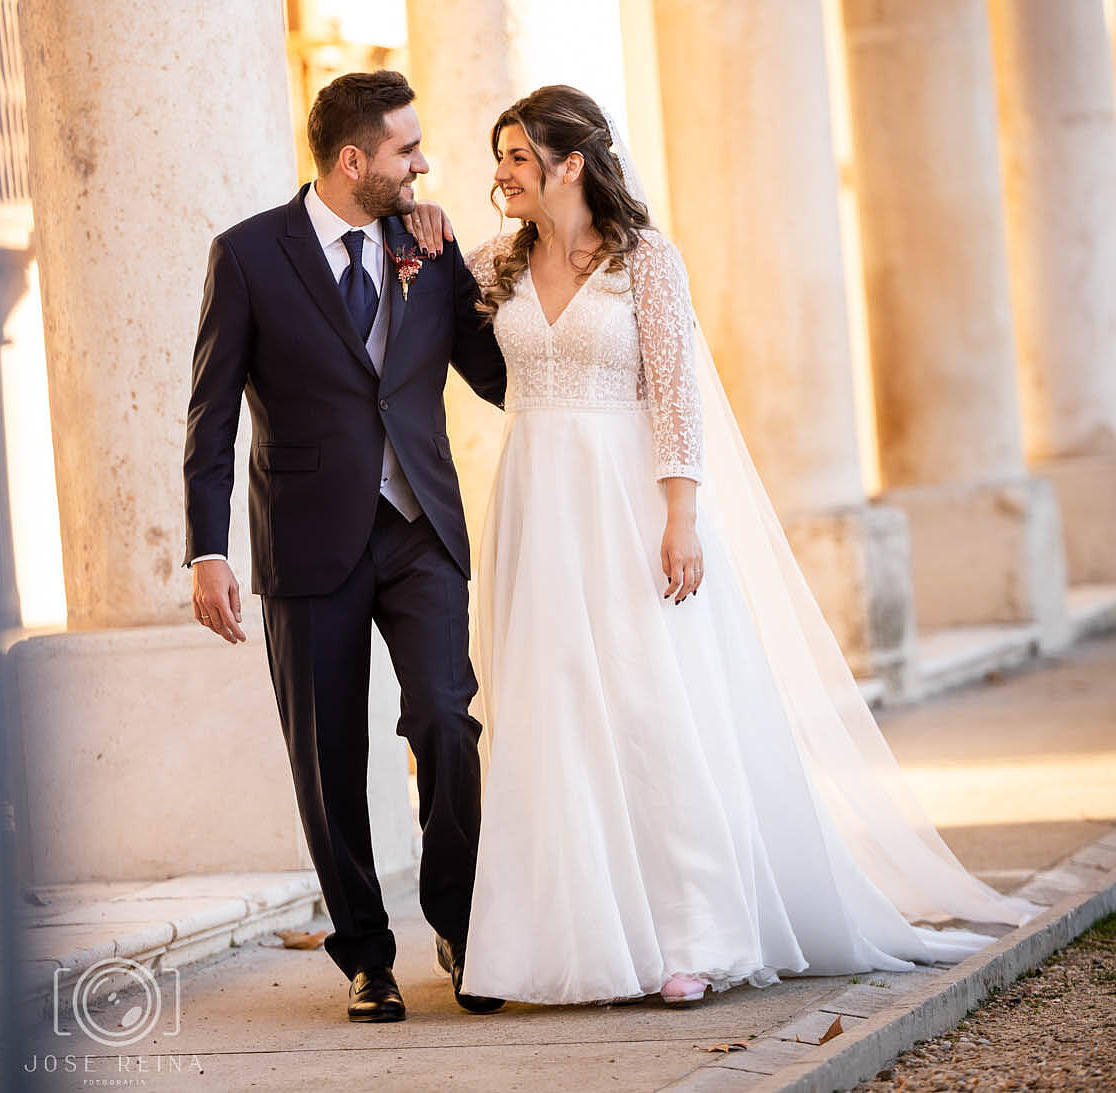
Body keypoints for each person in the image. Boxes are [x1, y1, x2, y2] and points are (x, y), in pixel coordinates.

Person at [462, 85, 1033, 1007]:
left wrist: (680, 517)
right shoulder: (495, 264)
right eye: (503, 157)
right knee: (551, 710)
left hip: (628, 503)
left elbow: (677, 394)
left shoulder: (647, 261)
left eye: (518, 157)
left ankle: (695, 933)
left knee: (654, 708)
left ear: (570, 163)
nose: (500, 173)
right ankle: (573, 944)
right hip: (536, 505)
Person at [184, 69, 508, 1023]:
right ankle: (366, 953)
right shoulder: (247, 255)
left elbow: (492, 372)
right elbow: (210, 417)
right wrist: (209, 550)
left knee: (446, 720)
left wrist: (542, 267)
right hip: (307, 540)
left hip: (420, 531)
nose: (424, 163)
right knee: (326, 756)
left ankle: (460, 922)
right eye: (407, 149)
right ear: (353, 159)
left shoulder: (428, 244)